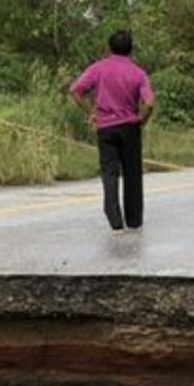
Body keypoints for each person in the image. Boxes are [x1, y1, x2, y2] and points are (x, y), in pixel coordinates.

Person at [71, 29, 154, 233]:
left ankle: (115, 219)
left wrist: (92, 112)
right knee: (132, 172)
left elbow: (76, 90)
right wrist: (141, 120)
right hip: (130, 126)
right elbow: (149, 103)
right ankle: (134, 219)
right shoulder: (138, 72)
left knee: (109, 172)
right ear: (131, 49)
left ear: (109, 48)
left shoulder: (98, 69)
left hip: (106, 127)